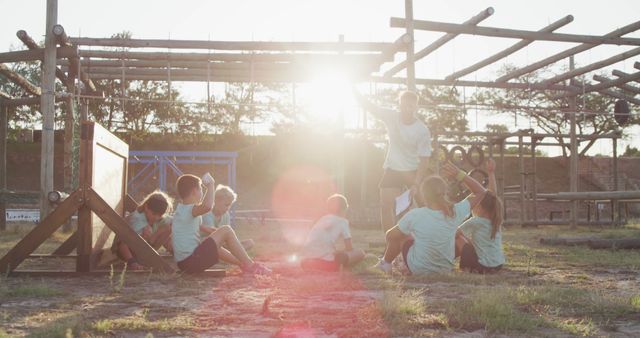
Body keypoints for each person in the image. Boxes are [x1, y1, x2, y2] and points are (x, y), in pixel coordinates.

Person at [374, 163, 486, 275]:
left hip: (418, 268)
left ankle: (385, 264)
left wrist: (407, 225)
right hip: (444, 270)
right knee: (457, 238)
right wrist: (460, 175)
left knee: (402, 234)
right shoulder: (455, 211)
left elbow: (390, 236)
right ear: (445, 193)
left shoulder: (415, 214)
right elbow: (481, 191)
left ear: (423, 196)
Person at [353, 89, 432, 232]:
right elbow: (371, 107)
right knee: (385, 206)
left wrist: (416, 183)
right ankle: (390, 243)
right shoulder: (391, 116)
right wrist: (354, 90)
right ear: (399, 105)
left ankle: (432, 238)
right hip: (393, 168)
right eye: (404, 106)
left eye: (411, 106)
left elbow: (425, 159)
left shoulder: (422, 130)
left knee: (425, 206)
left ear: (415, 107)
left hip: (413, 170)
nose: (407, 109)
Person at [171, 173, 270, 275]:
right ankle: (251, 266)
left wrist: (215, 233)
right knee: (226, 229)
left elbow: (198, 228)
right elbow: (207, 206)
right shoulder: (189, 210)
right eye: (201, 189)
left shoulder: (181, 210)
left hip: (185, 264)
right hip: (191, 262)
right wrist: (211, 185)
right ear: (194, 191)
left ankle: (243, 264)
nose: (202, 192)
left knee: (211, 243)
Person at [455, 158, 505, 273]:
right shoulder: (495, 221)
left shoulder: (476, 221)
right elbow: (492, 197)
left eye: (475, 203)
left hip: (483, 266)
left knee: (460, 239)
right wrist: (491, 173)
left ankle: (467, 268)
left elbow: (455, 234)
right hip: (498, 265)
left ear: (480, 207)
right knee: (467, 240)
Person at [300, 194, 365, 272]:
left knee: (331, 252)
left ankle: (315, 264)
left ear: (328, 209)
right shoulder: (343, 221)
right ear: (344, 209)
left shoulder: (321, 219)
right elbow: (349, 247)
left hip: (308, 261)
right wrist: (343, 251)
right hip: (328, 264)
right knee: (360, 253)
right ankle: (340, 260)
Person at [116, 191, 173, 270]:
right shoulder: (137, 218)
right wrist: (158, 232)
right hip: (127, 250)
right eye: (154, 214)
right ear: (146, 207)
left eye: (159, 215)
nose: (156, 217)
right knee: (147, 231)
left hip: (143, 249)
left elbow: (171, 221)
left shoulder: (157, 217)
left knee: (168, 228)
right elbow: (146, 240)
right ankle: (132, 262)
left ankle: (153, 255)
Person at [200, 184, 254, 250]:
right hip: (207, 243)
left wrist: (232, 240)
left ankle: (234, 252)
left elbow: (227, 235)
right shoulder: (207, 213)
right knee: (215, 242)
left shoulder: (226, 215)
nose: (228, 208)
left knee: (250, 242)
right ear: (216, 201)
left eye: (230, 205)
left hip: (222, 243)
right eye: (226, 205)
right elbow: (211, 232)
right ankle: (235, 253)